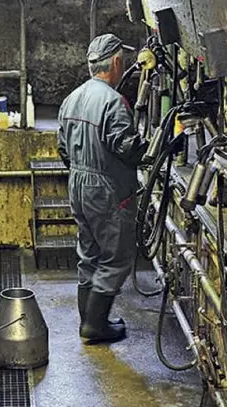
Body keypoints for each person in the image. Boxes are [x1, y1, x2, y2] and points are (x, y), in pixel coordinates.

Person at [57, 34, 147, 344]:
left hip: (78, 185)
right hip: (106, 188)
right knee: (117, 259)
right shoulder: (112, 101)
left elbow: (62, 149)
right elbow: (125, 148)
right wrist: (149, 143)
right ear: (117, 63)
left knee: (89, 253)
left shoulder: (72, 98)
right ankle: (95, 325)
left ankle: (89, 319)